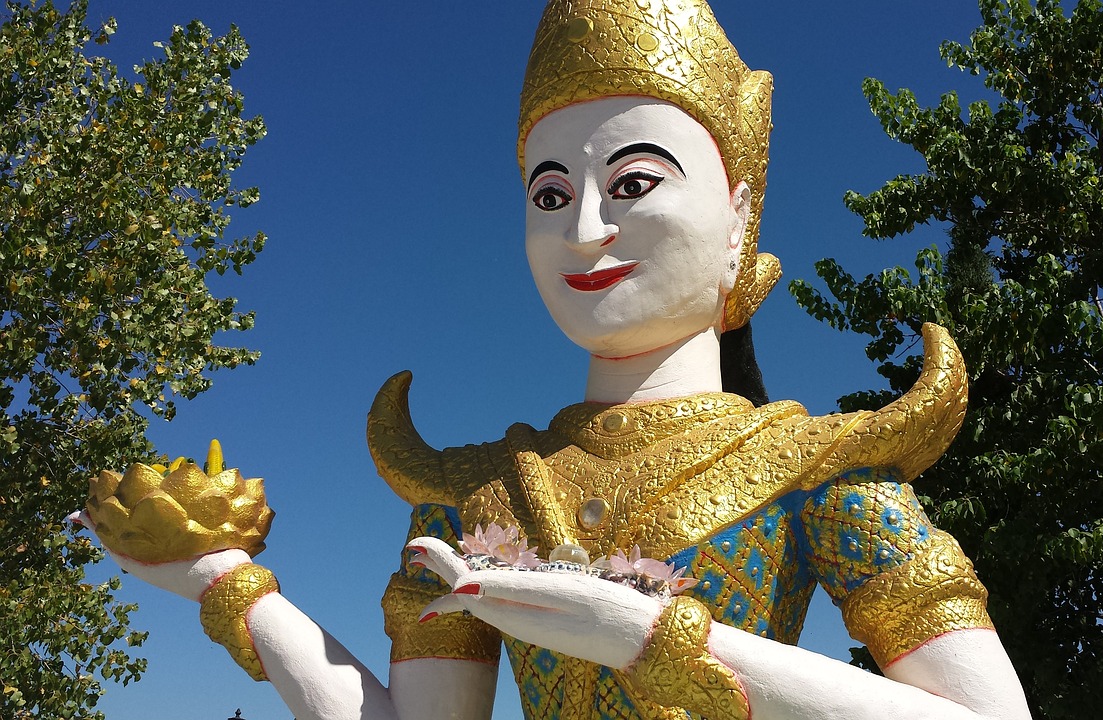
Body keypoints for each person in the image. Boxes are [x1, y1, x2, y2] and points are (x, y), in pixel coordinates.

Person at [78, 1, 1033, 718]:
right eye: (547, 193)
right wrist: (231, 588)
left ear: (740, 212)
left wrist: (652, 640)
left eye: (633, 181)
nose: (583, 228)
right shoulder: (475, 495)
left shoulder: (823, 476)